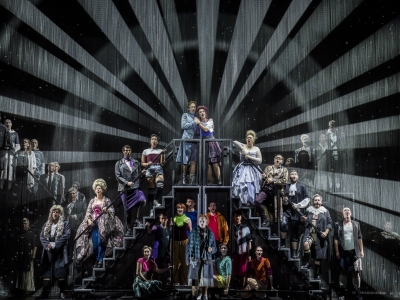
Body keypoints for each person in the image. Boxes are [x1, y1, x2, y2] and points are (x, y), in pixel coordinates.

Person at [74, 179, 124, 268]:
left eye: (100, 188)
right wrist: (89, 220)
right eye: (97, 188)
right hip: (94, 224)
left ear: (103, 190)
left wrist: (107, 210)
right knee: (95, 243)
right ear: (94, 189)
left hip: (103, 223)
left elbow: (112, 211)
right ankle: (96, 259)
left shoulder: (106, 200)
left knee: (102, 242)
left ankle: (101, 260)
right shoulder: (92, 201)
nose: (98, 189)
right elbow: (88, 212)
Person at [37, 205, 70, 299]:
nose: (55, 214)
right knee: (47, 272)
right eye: (53, 212)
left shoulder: (65, 223)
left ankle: (62, 292)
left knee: (60, 272)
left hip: (59, 252)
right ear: (51, 213)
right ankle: (44, 293)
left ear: (60, 214)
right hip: (48, 252)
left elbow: (66, 235)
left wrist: (55, 244)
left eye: (57, 212)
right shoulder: (46, 224)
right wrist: (47, 244)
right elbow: (41, 236)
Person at [334, 207, 364, 300]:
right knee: (342, 272)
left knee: (356, 272)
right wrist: (337, 251)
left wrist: (362, 251)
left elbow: (359, 238)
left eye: (348, 210)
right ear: (342, 213)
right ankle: (342, 291)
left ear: (351, 213)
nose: (347, 212)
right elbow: (335, 239)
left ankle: (357, 291)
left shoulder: (356, 224)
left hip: (354, 252)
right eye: (345, 210)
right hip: (343, 251)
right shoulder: (338, 224)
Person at [300, 194, 332, 280]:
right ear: (313, 201)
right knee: (306, 244)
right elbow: (304, 221)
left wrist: (326, 232)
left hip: (320, 236)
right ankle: (308, 262)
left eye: (318, 200)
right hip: (311, 233)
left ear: (321, 202)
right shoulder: (309, 210)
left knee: (318, 256)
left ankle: (317, 274)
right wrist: (303, 220)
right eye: (315, 200)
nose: (317, 202)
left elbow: (329, 223)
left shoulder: (325, 211)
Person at [115, 145, 146, 231]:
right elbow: (117, 176)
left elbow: (139, 175)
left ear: (131, 151)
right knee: (128, 210)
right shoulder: (119, 163)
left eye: (129, 150)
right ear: (123, 151)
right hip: (124, 189)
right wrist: (126, 182)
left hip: (135, 187)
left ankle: (137, 219)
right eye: (126, 150)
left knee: (142, 200)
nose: (127, 152)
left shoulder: (136, 162)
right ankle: (128, 229)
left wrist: (142, 173)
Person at [186, 214, 217, 300]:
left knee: (205, 279)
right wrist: (187, 259)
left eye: (204, 221)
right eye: (200, 221)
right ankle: (194, 295)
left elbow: (215, 248)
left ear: (207, 222)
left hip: (206, 259)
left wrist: (212, 249)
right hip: (195, 258)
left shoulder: (211, 233)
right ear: (198, 222)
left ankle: (205, 295)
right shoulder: (193, 232)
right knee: (194, 279)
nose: (202, 223)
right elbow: (188, 246)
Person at [281, 170, 310, 257]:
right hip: (287, 211)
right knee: (283, 224)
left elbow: (307, 199)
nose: (293, 176)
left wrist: (298, 205)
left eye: (295, 174)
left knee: (294, 232)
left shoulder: (302, 187)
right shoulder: (285, 186)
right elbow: (281, 198)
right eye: (292, 174)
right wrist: (284, 201)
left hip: (296, 213)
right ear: (289, 176)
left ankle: (294, 252)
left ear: (297, 177)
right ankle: (282, 242)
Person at [255, 154, 288, 227]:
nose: (278, 160)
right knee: (258, 201)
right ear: (274, 159)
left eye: (280, 159)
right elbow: (264, 178)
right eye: (276, 158)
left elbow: (284, 181)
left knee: (276, 212)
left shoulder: (284, 170)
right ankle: (265, 219)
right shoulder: (268, 168)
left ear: (282, 161)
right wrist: (263, 177)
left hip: (277, 192)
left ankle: (275, 229)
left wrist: (273, 180)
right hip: (266, 189)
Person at [232, 130, 262, 205]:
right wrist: (242, 148)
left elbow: (260, 160)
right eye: (247, 138)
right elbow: (234, 142)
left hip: (253, 168)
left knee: (251, 185)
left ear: (253, 140)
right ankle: (242, 200)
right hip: (243, 167)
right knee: (242, 184)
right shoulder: (243, 146)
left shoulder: (256, 149)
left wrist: (251, 158)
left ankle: (250, 201)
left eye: (250, 138)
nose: (249, 139)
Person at [176, 101, 200, 185]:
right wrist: (194, 123)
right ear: (188, 108)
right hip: (186, 141)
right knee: (184, 161)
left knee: (193, 161)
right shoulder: (185, 115)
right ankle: (183, 178)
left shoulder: (197, 116)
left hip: (195, 142)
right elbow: (183, 126)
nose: (193, 108)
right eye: (192, 107)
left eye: (194, 107)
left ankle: (191, 180)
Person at [197, 106, 222, 185]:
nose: (202, 113)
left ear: (205, 113)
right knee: (207, 164)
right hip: (203, 143)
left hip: (211, 142)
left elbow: (206, 129)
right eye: (200, 112)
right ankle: (210, 182)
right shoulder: (197, 123)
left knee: (215, 162)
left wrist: (198, 123)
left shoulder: (210, 120)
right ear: (199, 114)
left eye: (203, 111)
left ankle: (219, 181)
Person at [141, 134, 165, 215]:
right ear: (150, 141)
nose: (154, 140)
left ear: (157, 142)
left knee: (160, 185)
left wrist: (163, 154)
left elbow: (162, 163)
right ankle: (151, 210)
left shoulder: (159, 151)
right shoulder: (145, 151)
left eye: (155, 139)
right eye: (152, 139)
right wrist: (147, 163)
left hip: (158, 167)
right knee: (151, 191)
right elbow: (142, 163)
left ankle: (155, 199)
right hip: (149, 169)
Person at [145, 214, 171, 285]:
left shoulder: (167, 230)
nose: (164, 220)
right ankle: (153, 284)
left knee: (164, 269)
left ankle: (163, 284)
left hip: (165, 253)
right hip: (157, 252)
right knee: (156, 269)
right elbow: (150, 232)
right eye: (162, 218)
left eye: (165, 218)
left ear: (167, 219)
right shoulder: (156, 227)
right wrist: (148, 226)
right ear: (160, 220)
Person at [63, 187, 86, 258]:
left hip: (76, 226)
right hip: (66, 227)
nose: (72, 195)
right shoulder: (64, 205)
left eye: (73, 193)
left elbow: (84, 213)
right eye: (70, 194)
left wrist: (75, 216)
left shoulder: (81, 203)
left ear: (76, 194)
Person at [172, 203, 192, 285]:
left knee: (184, 262)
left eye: (181, 208)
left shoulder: (187, 219)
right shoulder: (173, 219)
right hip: (175, 242)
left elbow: (191, 231)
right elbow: (171, 231)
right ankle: (175, 281)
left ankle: (184, 281)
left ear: (184, 209)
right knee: (175, 262)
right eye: (178, 208)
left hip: (185, 242)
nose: (179, 209)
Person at [15, 218, 37, 294]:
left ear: (28, 224)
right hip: (21, 257)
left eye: (25, 223)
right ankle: (21, 288)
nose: (24, 225)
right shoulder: (20, 235)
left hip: (28, 257)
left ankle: (28, 288)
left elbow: (35, 246)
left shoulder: (31, 234)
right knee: (22, 272)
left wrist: (33, 255)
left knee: (28, 272)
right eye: (23, 224)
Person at [231, 210, 252, 290]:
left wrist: (249, 254)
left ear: (241, 217)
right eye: (236, 216)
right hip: (234, 253)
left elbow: (249, 242)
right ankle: (236, 289)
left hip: (243, 253)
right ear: (233, 217)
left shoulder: (246, 228)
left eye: (239, 216)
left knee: (243, 271)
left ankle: (242, 289)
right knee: (234, 272)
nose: (237, 218)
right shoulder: (230, 227)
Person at [0, 119, 20, 190]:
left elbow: (17, 145)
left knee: (10, 171)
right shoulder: (1, 132)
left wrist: (14, 151)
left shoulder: (15, 134)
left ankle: (9, 188)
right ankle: (1, 187)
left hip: (11, 155)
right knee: (2, 170)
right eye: (6, 123)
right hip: (3, 154)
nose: (7, 124)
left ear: (11, 124)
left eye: (9, 123)